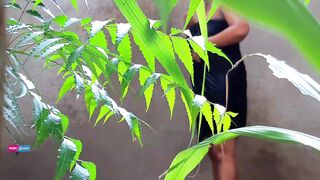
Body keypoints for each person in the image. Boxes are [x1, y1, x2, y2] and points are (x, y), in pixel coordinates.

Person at [186, 1, 249, 180]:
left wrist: (205, 44)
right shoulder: (194, 10)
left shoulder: (224, 4)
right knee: (213, 150)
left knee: (223, 148)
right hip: (202, 81)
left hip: (224, 77)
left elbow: (241, 28)